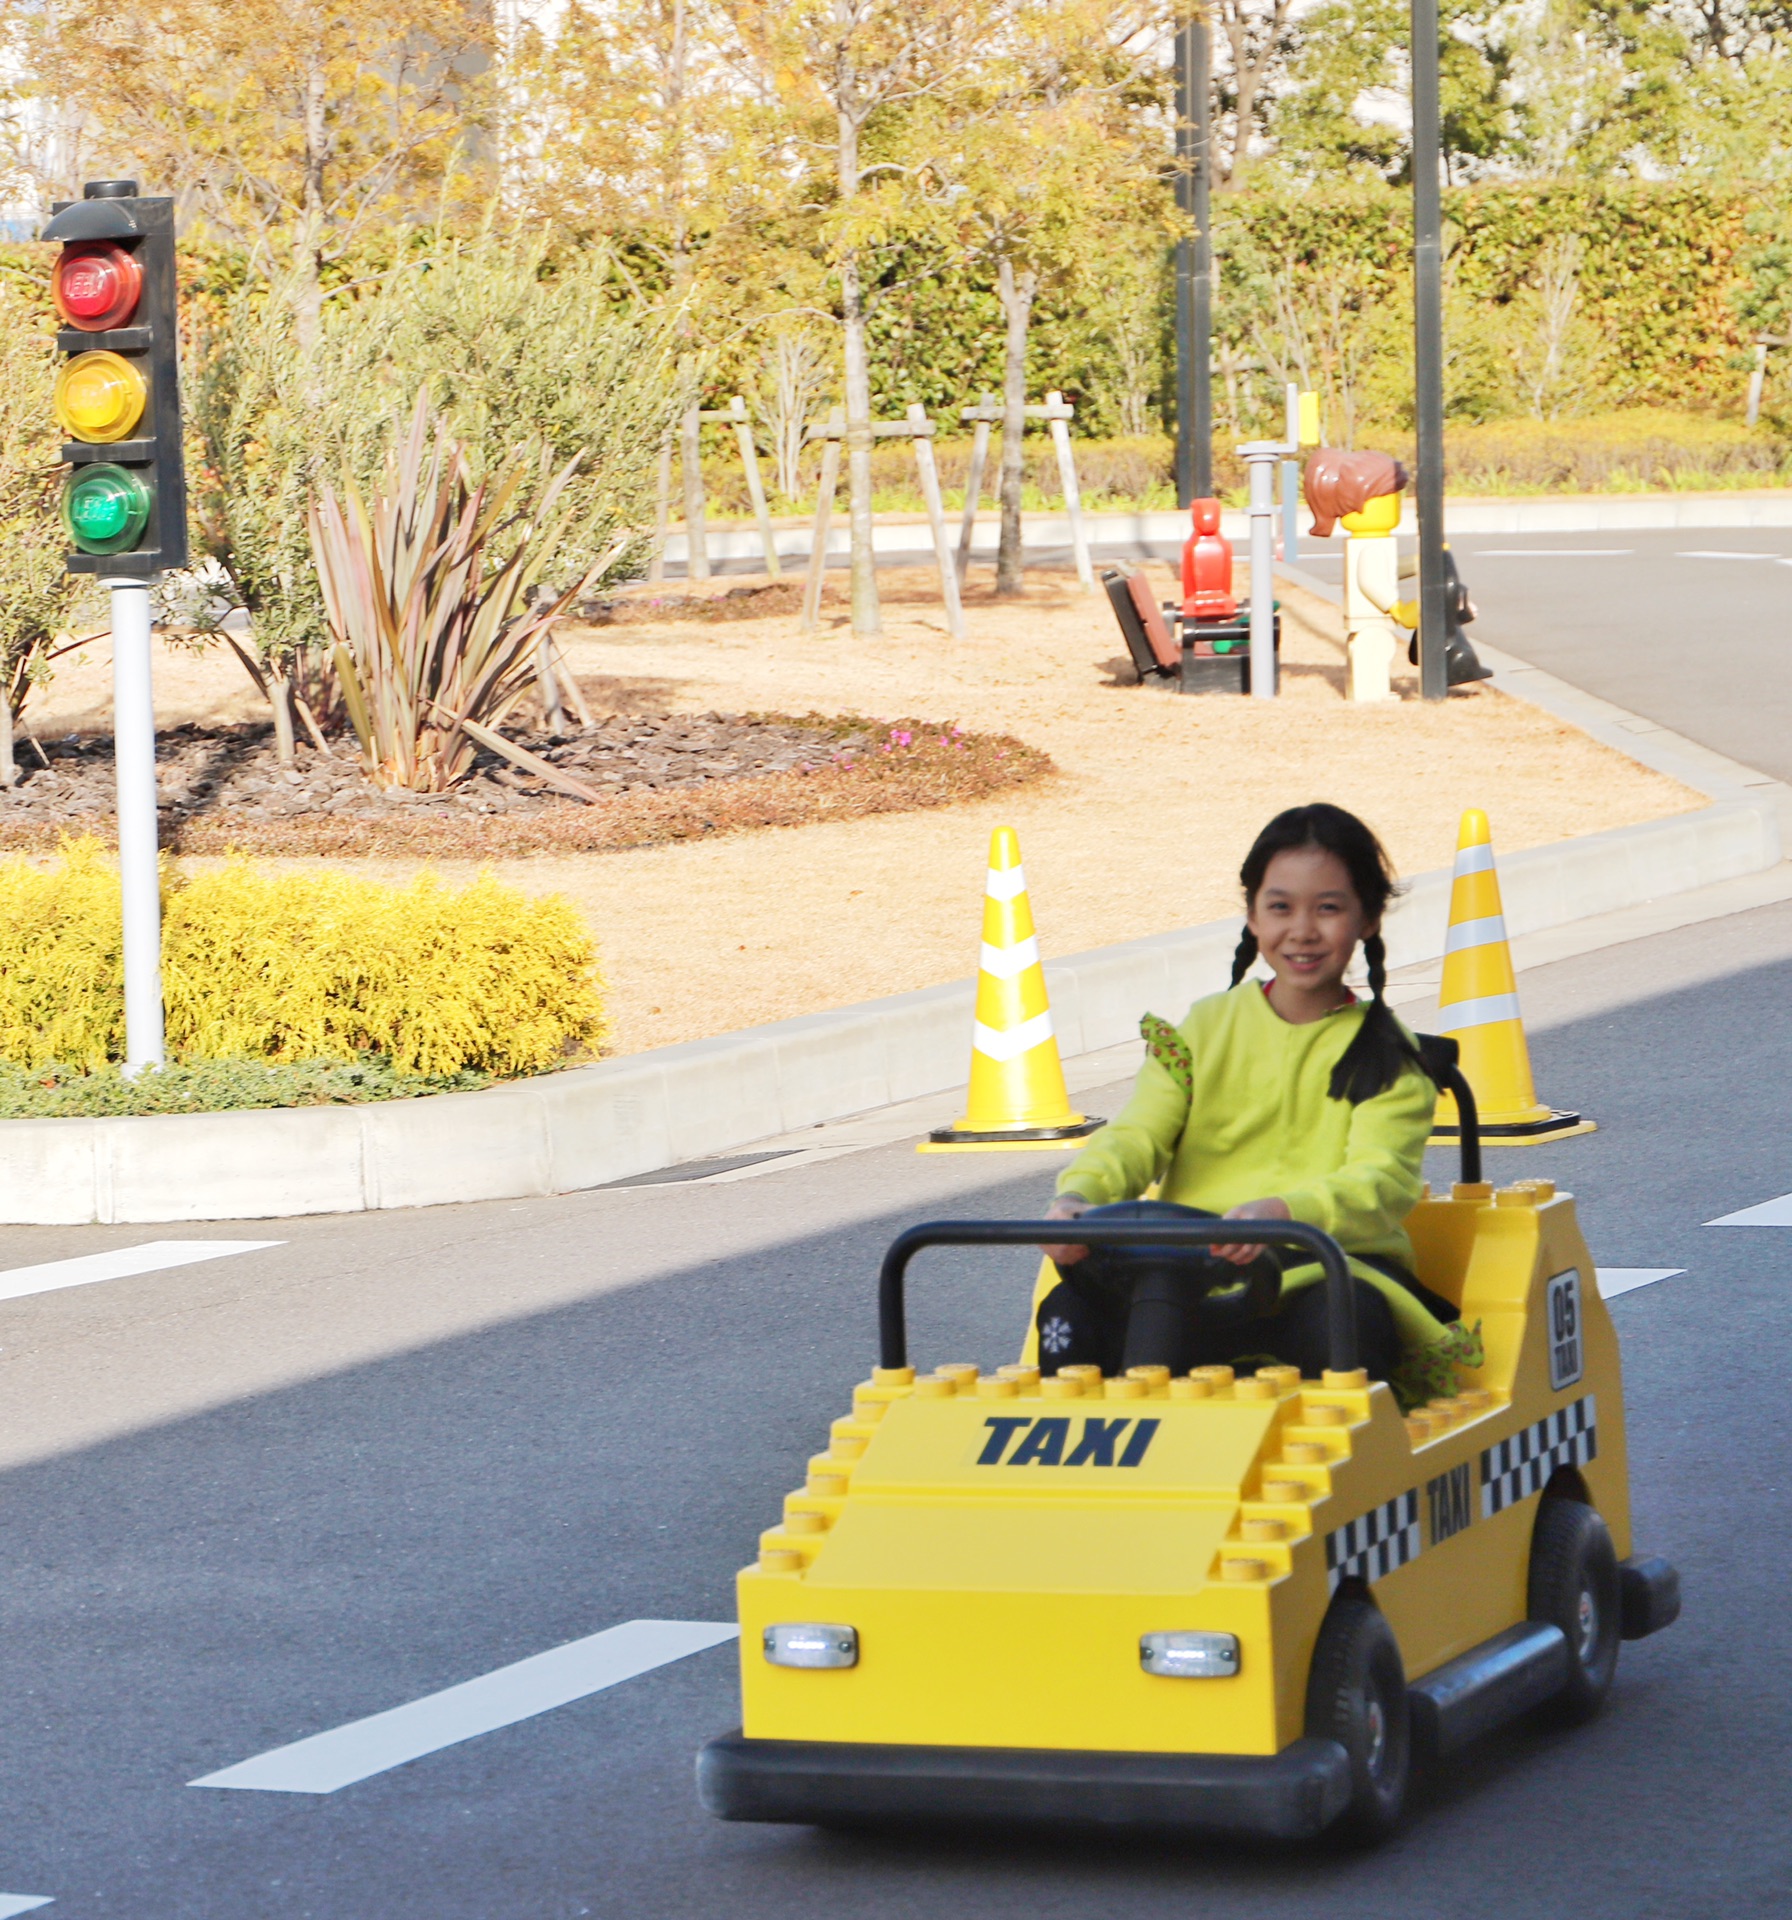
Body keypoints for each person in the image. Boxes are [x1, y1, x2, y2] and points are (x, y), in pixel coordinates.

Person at [1038, 802, 1461, 1386]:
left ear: (1366, 918)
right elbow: (1138, 1134)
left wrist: (1283, 1215)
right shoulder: (1199, 1030)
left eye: (1329, 908)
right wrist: (1078, 1198)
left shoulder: (1390, 1056)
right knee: (1069, 1319)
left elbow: (1380, 1182)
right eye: (1281, 907)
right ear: (1253, 917)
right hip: (1185, 1270)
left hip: (1323, 1268)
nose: (1303, 930)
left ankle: (1338, 1470)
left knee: (1340, 1324)